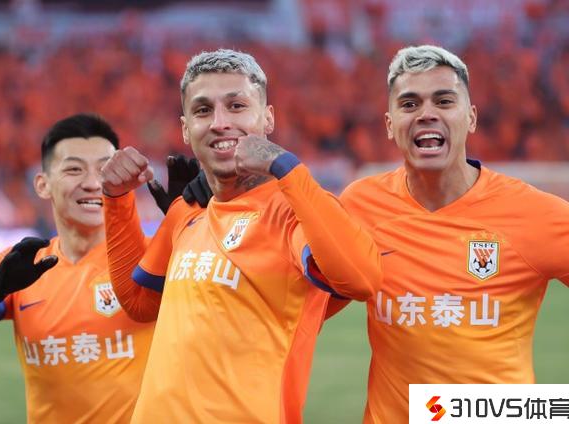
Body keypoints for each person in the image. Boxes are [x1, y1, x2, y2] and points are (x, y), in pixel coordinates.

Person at [99, 48, 383, 423]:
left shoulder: (292, 211)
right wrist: (116, 201)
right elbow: (138, 303)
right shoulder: (187, 212)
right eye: (203, 110)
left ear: (267, 118)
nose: (220, 123)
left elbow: (362, 278)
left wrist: (286, 167)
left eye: (236, 106)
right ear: (185, 129)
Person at [327, 45, 569, 423]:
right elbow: (304, 304)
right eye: (409, 104)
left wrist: (554, 410)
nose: (427, 114)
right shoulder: (361, 204)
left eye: (444, 101)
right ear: (389, 124)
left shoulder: (534, 214)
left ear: (470, 118)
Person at [0, 113, 203, 423]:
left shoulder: (152, 257)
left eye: (105, 169)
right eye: (74, 169)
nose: (92, 183)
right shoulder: (25, 264)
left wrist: (192, 229)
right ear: (43, 185)